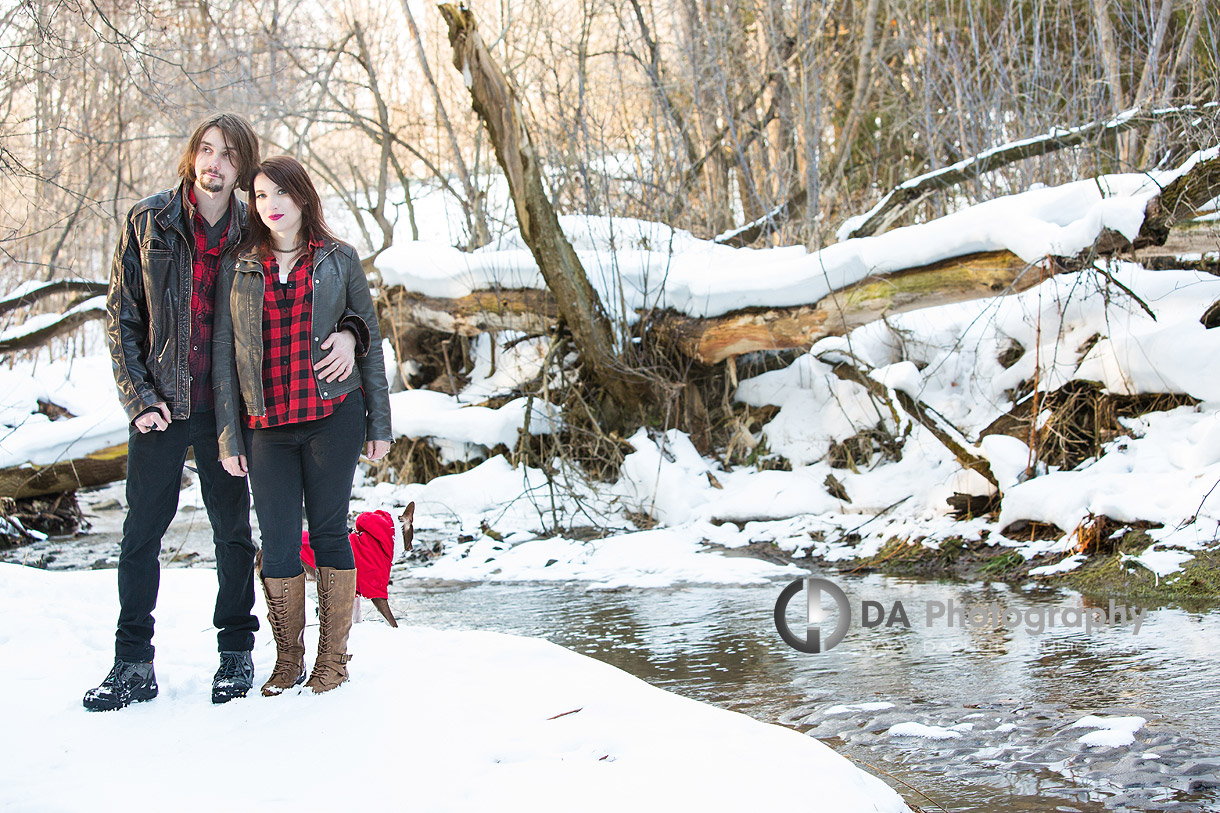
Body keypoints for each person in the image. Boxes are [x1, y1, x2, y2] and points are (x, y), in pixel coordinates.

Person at [213, 155, 392, 696]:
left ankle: (332, 660)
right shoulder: (239, 266)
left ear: (303, 197)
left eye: (280, 194)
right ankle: (287, 658)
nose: (270, 205)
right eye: (260, 196)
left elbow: (371, 342)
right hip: (266, 422)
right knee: (280, 541)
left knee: (332, 531)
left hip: (332, 416)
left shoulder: (340, 259)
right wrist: (227, 434)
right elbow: (225, 353)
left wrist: (379, 423)